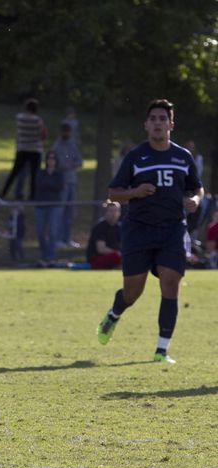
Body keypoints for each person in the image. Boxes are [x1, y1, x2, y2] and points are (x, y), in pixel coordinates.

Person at [96, 99, 203, 363]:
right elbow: (113, 193)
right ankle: (114, 314)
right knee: (133, 292)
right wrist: (134, 192)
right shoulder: (136, 157)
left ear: (171, 124)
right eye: (153, 119)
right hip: (139, 231)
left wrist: (196, 201)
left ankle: (161, 350)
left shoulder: (183, 157)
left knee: (170, 283)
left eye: (162, 119)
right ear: (146, 125)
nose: (158, 123)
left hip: (172, 231)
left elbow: (197, 188)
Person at [0, 98, 45, 200]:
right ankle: (32, 196)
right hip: (35, 150)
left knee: (14, 173)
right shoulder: (38, 120)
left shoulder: (20, 118)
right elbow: (41, 135)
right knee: (34, 175)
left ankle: (3, 193)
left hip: (22, 149)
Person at [51, 122, 83, 249]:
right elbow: (54, 163)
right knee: (60, 211)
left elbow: (80, 161)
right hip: (61, 183)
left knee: (70, 212)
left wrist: (72, 164)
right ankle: (58, 239)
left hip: (72, 182)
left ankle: (67, 239)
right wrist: (66, 165)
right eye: (65, 132)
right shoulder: (56, 146)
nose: (67, 134)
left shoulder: (73, 144)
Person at [33, 151, 65, 266]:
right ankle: (44, 256)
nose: (51, 160)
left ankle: (50, 257)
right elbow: (39, 185)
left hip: (54, 205)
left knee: (53, 232)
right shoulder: (41, 173)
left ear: (56, 161)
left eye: (53, 158)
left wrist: (48, 185)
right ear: (46, 160)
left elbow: (59, 187)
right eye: (49, 158)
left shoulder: (59, 174)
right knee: (41, 232)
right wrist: (50, 185)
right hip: (41, 205)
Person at [87, 200, 122, 269]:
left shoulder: (119, 227)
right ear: (106, 212)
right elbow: (101, 249)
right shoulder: (100, 227)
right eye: (111, 211)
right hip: (98, 258)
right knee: (116, 256)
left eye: (116, 211)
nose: (113, 213)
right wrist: (118, 253)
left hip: (114, 256)